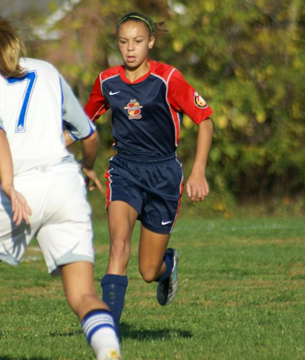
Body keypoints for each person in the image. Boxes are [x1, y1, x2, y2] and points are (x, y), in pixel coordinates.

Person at [0, 12, 121, 360]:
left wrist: (8, 186)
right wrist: (88, 167)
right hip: (66, 185)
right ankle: (109, 351)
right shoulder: (46, 70)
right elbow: (88, 133)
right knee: (83, 295)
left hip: (19, 191)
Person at [83, 12, 214, 333]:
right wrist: (79, 163)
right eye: (123, 42)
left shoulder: (168, 78)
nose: (130, 49)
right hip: (124, 170)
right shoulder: (106, 81)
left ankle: (168, 266)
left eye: (138, 42)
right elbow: (82, 124)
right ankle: (106, 336)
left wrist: (198, 171)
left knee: (148, 270)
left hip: (164, 176)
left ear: (151, 43)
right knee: (118, 246)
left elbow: (205, 120)